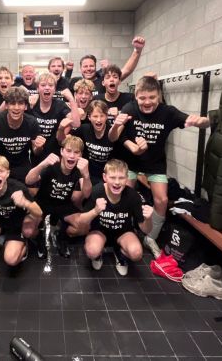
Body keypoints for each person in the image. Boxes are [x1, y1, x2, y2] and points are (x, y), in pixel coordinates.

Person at [110, 75, 210, 258]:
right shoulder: (130, 108)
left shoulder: (167, 112)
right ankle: (126, 229)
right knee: (124, 195)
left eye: (152, 97)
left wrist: (201, 121)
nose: (147, 102)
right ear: (136, 97)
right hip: (131, 162)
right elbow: (115, 137)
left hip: (155, 163)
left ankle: (151, 237)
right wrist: (130, 145)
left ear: (159, 96)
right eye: (142, 98)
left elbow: (198, 121)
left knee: (162, 200)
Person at [79, 159, 154, 276]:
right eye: (113, 177)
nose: (117, 182)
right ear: (105, 177)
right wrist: (95, 211)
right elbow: (81, 221)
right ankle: (98, 255)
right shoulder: (97, 191)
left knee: (137, 254)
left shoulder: (133, 196)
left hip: (123, 232)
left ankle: (121, 253)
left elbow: (146, 230)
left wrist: (148, 219)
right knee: (92, 251)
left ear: (127, 178)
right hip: (99, 231)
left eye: (121, 178)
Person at [25, 136, 92, 258]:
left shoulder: (80, 169)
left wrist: (86, 175)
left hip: (63, 204)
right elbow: (28, 181)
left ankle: (61, 237)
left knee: (83, 227)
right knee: (28, 231)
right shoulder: (52, 165)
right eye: (68, 151)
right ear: (61, 151)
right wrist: (42, 164)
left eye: (76, 152)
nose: (72, 156)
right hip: (43, 203)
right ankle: (40, 238)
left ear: (81, 155)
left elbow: (87, 193)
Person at [0, 86, 45, 182]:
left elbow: (36, 152)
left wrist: (39, 147)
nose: (16, 108)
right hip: (0, 165)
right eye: (12, 103)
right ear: (6, 105)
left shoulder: (31, 122)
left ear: (25, 106)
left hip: (21, 165)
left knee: (33, 185)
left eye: (20, 103)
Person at [59, 100, 118, 186]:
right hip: (86, 174)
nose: (98, 120)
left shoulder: (112, 132)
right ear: (89, 117)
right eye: (95, 116)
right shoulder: (84, 129)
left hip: (106, 176)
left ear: (106, 117)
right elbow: (63, 141)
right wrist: (61, 128)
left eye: (102, 116)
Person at [30, 72, 80, 165]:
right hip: (36, 155)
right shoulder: (32, 104)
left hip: (55, 156)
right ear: (37, 88)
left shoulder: (59, 104)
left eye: (50, 85)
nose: (47, 88)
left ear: (54, 89)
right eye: (43, 85)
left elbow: (76, 124)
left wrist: (71, 99)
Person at [68, 36, 146, 96]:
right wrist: (68, 71)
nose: (88, 69)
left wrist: (137, 51)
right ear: (80, 69)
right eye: (85, 66)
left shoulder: (104, 80)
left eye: (91, 66)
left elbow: (126, 70)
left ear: (95, 67)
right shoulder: (75, 83)